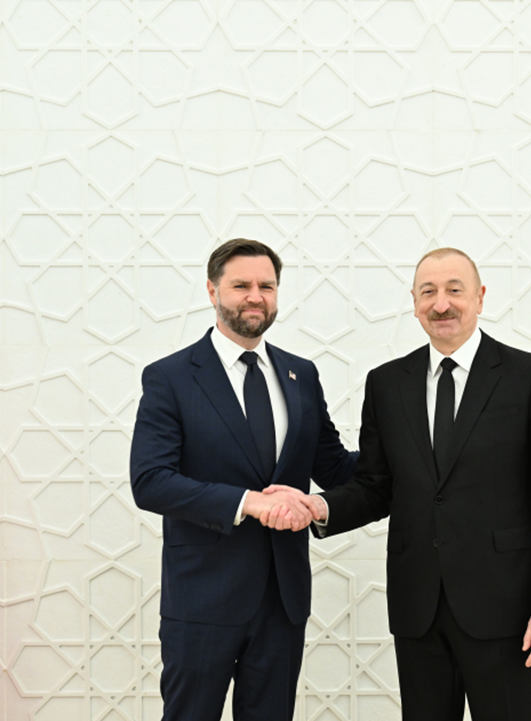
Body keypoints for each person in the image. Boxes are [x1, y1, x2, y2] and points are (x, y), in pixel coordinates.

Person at [266, 247, 531, 720]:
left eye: (455, 290)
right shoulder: (386, 383)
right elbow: (377, 486)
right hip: (418, 607)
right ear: (414, 302)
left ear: (480, 297)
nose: (441, 304)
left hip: (507, 608)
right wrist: (321, 507)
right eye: (428, 292)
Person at [129, 238, 357, 721]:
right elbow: (150, 481)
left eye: (266, 286)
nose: (255, 296)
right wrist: (248, 502)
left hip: (282, 599)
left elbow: (334, 467)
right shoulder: (170, 377)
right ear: (212, 291)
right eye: (241, 286)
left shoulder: (301, 374)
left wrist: (410, 446)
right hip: (201, 601)